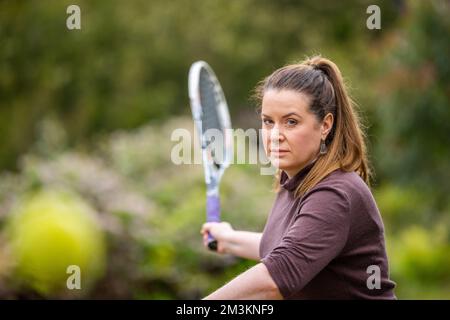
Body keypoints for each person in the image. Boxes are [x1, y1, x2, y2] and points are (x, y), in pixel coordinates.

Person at [200, 56, 396, 300]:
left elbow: (277, 276)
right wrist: (230, 239)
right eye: (268, 122)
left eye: (291, 122)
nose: (275, 135)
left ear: (325, 125)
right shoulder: (293, 178)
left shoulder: (335, 195)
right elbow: (291, 246)